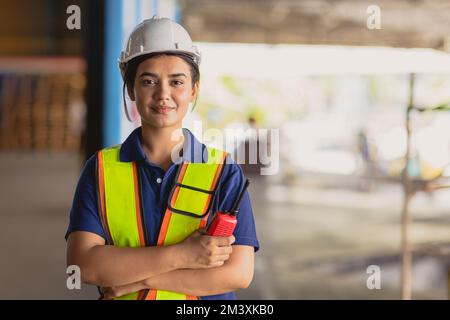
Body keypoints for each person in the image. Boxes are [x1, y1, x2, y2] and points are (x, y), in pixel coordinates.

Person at [65, 16, 259, 300]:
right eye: (148, 81)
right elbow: (82, 266)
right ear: (131, 89)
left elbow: (237, 274)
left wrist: (134, 281)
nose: (163, 94)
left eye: (176, 81)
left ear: (193, 90)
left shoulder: (223, 171)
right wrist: (183, 254)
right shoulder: (100, 169)